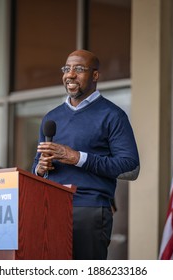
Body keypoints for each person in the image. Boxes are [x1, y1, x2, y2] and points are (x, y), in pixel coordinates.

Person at [32, 49, 140, 260]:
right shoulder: (51, 118)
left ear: (95, 76)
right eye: (67, 68)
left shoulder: (112, 115)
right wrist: (39, 169)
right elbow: (36, 167)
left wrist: (77, 158)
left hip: (89, 209)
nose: (70, 74)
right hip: (50, 210)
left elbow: (131, 167)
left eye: (79, 69)